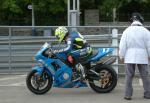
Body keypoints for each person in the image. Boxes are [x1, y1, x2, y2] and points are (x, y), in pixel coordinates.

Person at [119, 12, 150, 100]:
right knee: (145, 75)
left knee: (129, 76)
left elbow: (122, 45)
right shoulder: (146, 31)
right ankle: (148, 94)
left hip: (129, 56)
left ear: (131, 20)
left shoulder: (126, 31)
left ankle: (128, 95)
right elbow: (149, 45)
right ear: (141, 20)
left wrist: (122, 56)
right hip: (142, 56)